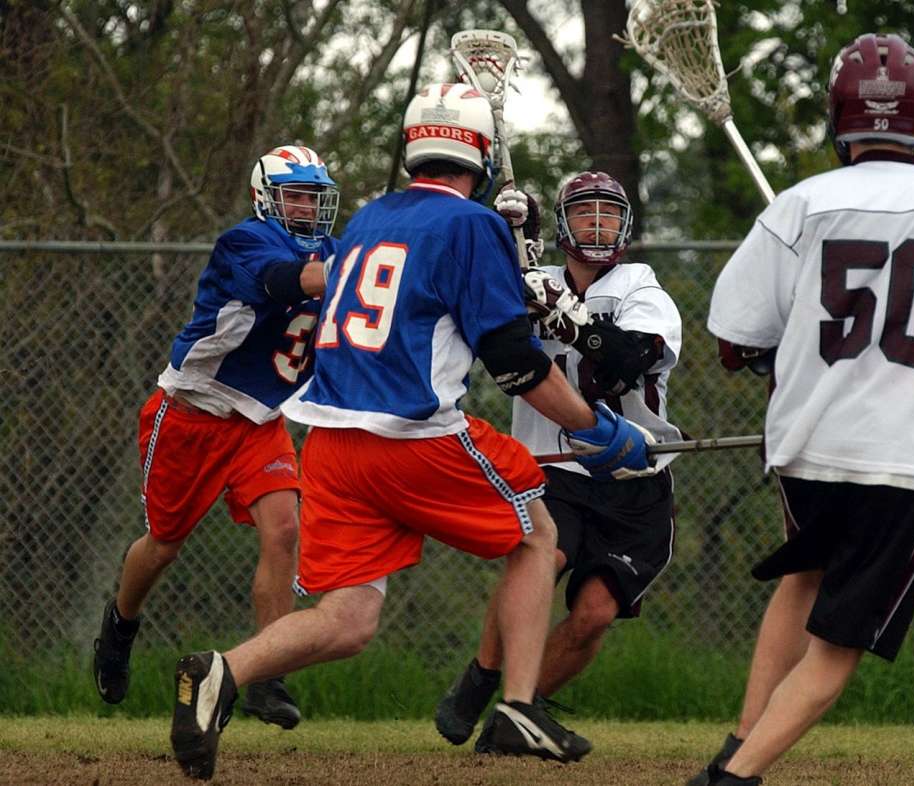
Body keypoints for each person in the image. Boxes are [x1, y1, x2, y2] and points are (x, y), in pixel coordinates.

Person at [166, 83, 656, 781]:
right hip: (411, 435)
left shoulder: (370, 216)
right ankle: (518, 706)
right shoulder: (473, 225)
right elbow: (514, 364)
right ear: (479, 153)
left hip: (329, 443)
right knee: (537, 535)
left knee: (348, 619)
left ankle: (221, 671)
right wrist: (597, 426)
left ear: (413, 149)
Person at [689, 33, 914, 786]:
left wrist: (787, 353)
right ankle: (733, 777)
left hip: (810, 445)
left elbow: (735, 339)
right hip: (907, 458)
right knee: (838, 644)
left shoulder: (802, 203)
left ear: (837, 115)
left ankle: (736, 741)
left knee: (805, 577)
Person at [433, 171, 684, 752]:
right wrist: (505, 233)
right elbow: (478, 316)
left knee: (594, 614)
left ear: (625, 225)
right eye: (584, 213)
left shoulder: (642, 289)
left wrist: (569, 320)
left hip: (634, 474)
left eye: (608, 214)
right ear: (564, 226)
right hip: (552, 467)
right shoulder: (531, 281)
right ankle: (482, 675)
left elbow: (626, 362)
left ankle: (516, 716)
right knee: (539, 562)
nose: (596, 225)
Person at [92, 145, 339, 730]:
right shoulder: (245, 241)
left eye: (313, 197)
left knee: (284, 530)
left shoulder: (333, 252)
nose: (306, 208)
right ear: (266, 198)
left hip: (259, 421)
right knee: (164, 544)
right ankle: (121, 625)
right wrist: (365, 265)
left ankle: (267, 676)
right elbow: (288, 281)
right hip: (191, 414)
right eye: (295, 196)